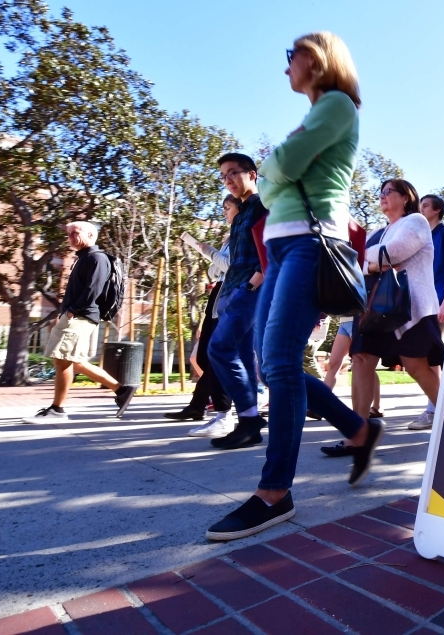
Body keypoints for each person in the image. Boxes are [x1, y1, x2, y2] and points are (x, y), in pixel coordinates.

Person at [206, 32, 382, 541]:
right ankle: (358, 429)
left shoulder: (336, 105)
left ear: (319, 59)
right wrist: (277, 171)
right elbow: (276, 173)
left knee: (279, 363)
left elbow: (278, 169)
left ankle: (274, 492)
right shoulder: (313, 114)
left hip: (310, 246)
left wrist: (276, 169)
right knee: (270, 362)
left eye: (293, 57)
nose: (286, 68)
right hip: (283, 249)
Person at [350, 179, 444, 429]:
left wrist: (369, 261)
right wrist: (372, 263)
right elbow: (354, 262)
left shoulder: (416, 222)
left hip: (411, 307)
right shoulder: (376, 233)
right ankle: (357, 432)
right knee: (360, 358)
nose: (382, 196)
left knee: (415, 365)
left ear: (405, 197)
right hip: (375, 308)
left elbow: (393, 252)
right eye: (380, 193)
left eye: (388, 192)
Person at [22, 222, 135, 424]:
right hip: (76, 314)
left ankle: (58, 410)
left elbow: (94, 289)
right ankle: (122, 389)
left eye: (75, 233)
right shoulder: (84, 258)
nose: (70, 237)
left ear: (91, 234)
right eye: (69, 234)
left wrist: (73, 311)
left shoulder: (97, 258)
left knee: (62, 359)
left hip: (82, 315)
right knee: (75, 361)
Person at [205, 153, 267, 450]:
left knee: (218, 348)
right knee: (242, 358)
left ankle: (250, 420)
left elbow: (271, 249)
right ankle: (249, 423)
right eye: (224, 176)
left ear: (252, 174)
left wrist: (254, 283)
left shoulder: (264, 206)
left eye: (233, 173)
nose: (228, 180)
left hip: (248, 290)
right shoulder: (240, 212)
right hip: (232, 290)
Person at [164, 195, 237, 438]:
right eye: (224, 208)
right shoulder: (230, 237)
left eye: (228, 208)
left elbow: (230, 267)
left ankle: (225, 408)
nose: (225, 212)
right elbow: (215, 269)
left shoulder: (243, 234)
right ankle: (202, 406)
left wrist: (211, 251)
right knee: (207, 355)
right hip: (218, 292)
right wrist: (213, 254)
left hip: (232, 294)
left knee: (219, 355)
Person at [408, 194, 444, 430]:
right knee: (427, 359)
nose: (421, 209)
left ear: (437, 210)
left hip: (438, 303)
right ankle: (436, 409)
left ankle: (433, 411)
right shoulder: (421, 236)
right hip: (423, 304)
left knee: (433, 358)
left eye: (426, 205)